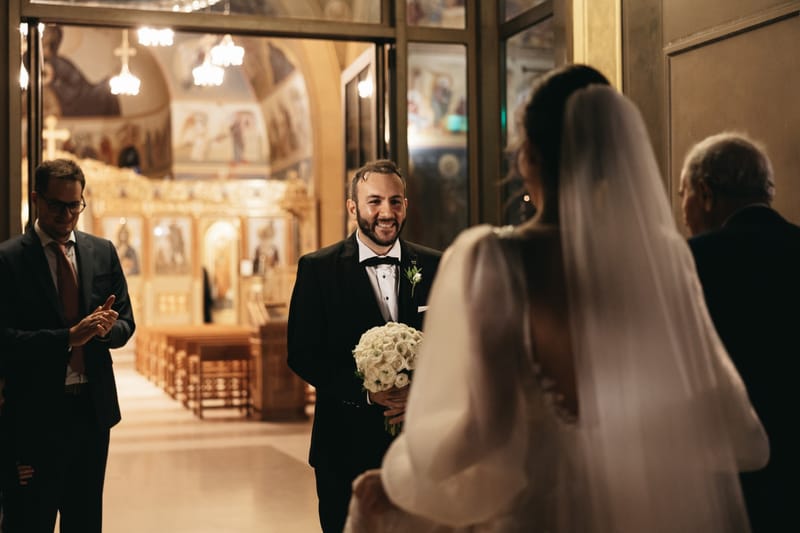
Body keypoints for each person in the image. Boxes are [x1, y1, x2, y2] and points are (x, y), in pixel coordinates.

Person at [345, 65, 768, 532]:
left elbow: (485, 428)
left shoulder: (493, 259)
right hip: (636, 509)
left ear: (528, 155)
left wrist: (403, 478)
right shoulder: (663, 258)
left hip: (536, 512)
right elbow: (729, 425)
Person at [287, 159, 442, 533]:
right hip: (343, 447)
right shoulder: (318, 269)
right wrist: (369, 394)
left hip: (418, 446)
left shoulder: (436, 265)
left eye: (395, 201)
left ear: (405, 205)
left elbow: (452, 346)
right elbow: (302, 352)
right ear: (352, 207)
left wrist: (419, 393)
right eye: (375, 201)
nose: (387, 212)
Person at [0, 158, 135, 533]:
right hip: (35, 414)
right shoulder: (9, 259)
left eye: (75, 206)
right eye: (57, 205)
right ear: (36, 199)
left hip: (92, 411)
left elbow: (126, 322)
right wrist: (67, 338)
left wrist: (105, 331)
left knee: (85, 520)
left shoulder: (102, 251)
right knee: (30, 519)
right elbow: (5, 340)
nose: (67, 215)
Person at [679, 132, 799, 532]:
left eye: (683, 194)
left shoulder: (692, 262)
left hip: (728, 469)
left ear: (705, 193)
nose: (683, 211)